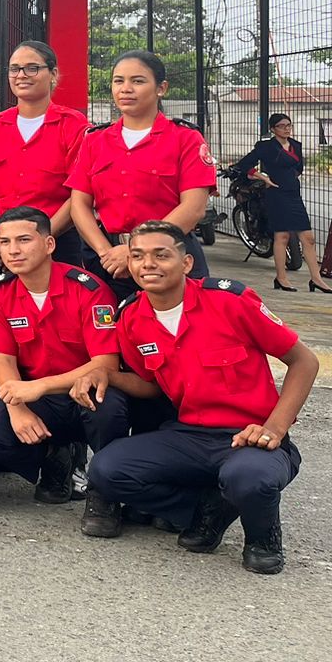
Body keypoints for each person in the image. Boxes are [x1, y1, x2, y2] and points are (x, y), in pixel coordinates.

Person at [82, 221, 319, 574]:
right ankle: (209, 506)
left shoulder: (230, 300)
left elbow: (304, 361)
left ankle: (262, 537)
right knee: (106, 470)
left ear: (187, 263)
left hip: (250, 435)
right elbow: (150, 386)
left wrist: (274, 429)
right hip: (190, 434)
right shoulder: (132, 317)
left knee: (250, 478)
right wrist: (106, 375)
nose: (148, 264)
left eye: (161, 255)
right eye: (137, 256)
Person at [0, 205, 126, 511]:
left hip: (82, 392)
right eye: (5, 242)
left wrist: (39, 387)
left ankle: (105, 494)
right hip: (39, 398)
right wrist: (16, 407)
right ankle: (54, 458)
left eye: (24, 240)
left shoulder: (89, 290)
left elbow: (106, 364)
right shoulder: (1, 292)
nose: (13, 250)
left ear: (49, 244)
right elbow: (4, 358)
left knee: (109, 406)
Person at [68, 50, 216, 301]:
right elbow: (79, 204)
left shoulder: (185, 138)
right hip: (108, 261)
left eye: (137, 81)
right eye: (118, 81)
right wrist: (106, 252)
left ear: (161, 88)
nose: (126, 89)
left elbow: (193, 207)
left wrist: (134, 252)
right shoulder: (95, 141)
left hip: (168, 256)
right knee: (110, 331)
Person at [0, 41, 90, 277]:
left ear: (53, 74)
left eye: (32, 68)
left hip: (57, 241)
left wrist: (42, 239)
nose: (21, 75)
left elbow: (78, 193)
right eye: (14, 69)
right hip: (1, 244)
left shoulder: (73, 125)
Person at [233, 113, 327, 293]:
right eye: (282, 126)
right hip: (276, 194)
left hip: (293, 193)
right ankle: (281, 278)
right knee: (281, 236)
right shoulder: (266, 147)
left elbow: (299, 169)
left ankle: (316, 279)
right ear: (273, 129)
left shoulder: (296, 145)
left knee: (308, 238)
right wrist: (263, 177)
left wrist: (290, 179)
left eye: (288, 125)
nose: (286, 129)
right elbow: (244, 164)